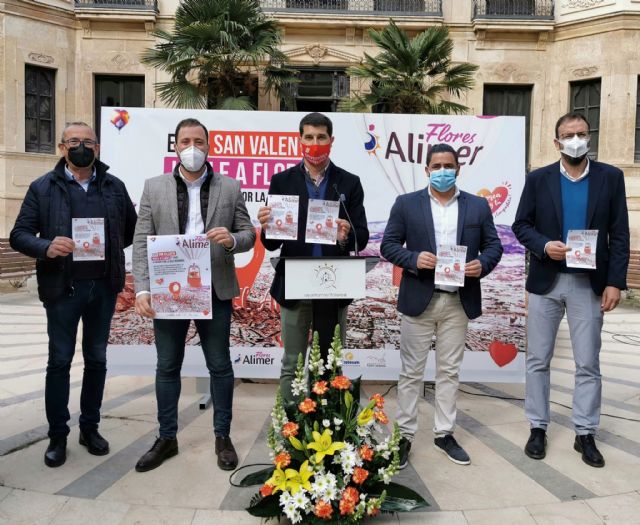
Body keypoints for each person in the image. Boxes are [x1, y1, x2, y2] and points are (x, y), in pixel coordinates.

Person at [10, 122, 137, 468]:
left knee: (96, 360)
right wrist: (47, 246)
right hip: (62, 289)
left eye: (88, 142)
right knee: (60, 362)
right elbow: (19, 234)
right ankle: (57, 436)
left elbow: (131, 229)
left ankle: (90, 428)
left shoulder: (113, 186)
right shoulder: (42, 187)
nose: (82, 147)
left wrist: (107, 246)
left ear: (97, 148)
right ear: (63, 148)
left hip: (103, 287)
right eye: (74, 142)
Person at [132, 118, 255, 472]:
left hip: (214, 287)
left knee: (220, 365)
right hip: (170, 290)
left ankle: (222, 436)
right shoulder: (153, 187)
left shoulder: (230, 187)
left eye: (198, 141)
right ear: (175, 147)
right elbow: (141, 241)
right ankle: (167, 437)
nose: (192, 147)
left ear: (208, 146)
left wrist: (232, 240)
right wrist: (142, 287)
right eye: (185, 141)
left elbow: (247, 232)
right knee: (167, 366)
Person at [512, 112, 629, 468]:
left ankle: (585, 432)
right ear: (556, 141)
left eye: (580, 133)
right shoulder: (538, 179)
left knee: (588, 362)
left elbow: (620, 234)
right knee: (537, 359)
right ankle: (537, 426)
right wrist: (544, 245)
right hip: (547, 280)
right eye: (568, 134)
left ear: (589, 136)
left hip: (589, 283)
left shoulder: (611, 177)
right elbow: (521, 225)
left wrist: (614, 281)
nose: (575, 139)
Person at [381, 143, 502, 468]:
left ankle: (444, 433)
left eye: (449, 165)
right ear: (427, 170)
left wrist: (482, 264)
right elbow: (388, 245)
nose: (443, 171)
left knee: (449, 371)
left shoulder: (477, 206)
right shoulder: (407, 204)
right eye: (437, 166)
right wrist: (413, 258)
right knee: (410, 373)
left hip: (457, 301)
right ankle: (403, 437)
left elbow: (494, 246)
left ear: (458, 169)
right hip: (419, 297)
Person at [257, 112, 369, 407]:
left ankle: (329, 424)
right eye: (309, 137)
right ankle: (293, 427)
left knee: (331, 362)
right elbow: (272, 242)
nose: (315, 143)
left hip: (333, 286)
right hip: (294, 284)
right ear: (300, 140)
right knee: (293, 362)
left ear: (331, 141)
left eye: (321, 137)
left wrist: (346, 234)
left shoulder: (349, 182)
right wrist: (267, 226)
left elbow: (363, 237)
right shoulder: (282, 180)